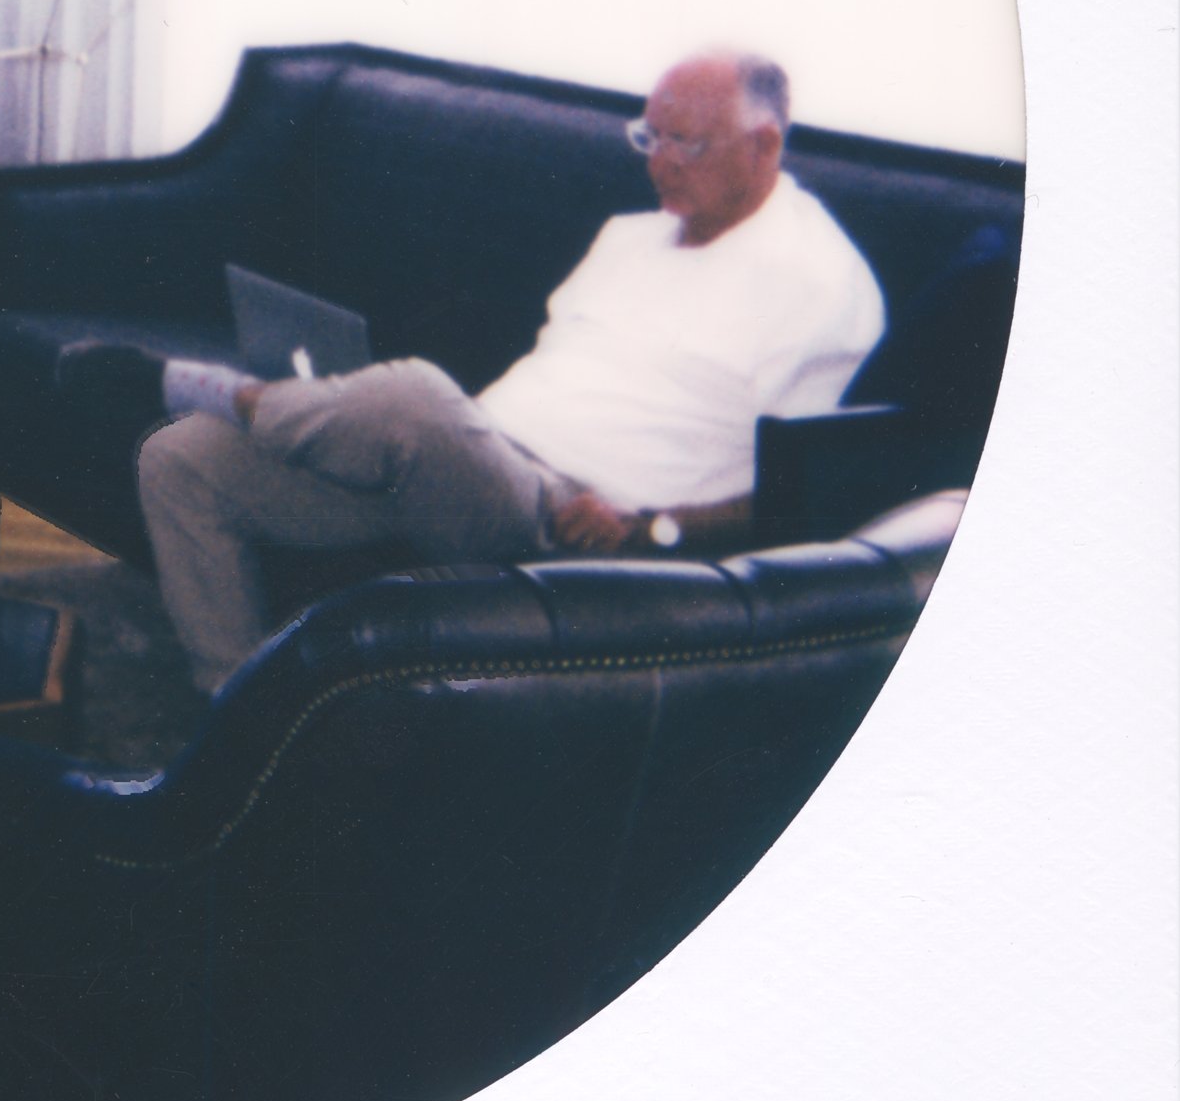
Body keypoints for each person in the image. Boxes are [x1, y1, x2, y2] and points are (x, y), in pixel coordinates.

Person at [63, 51, 886, 690]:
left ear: (764, 143)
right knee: (181, 459)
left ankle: (225, 389)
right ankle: (234, 707)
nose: (659, 162)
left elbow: (792, 498)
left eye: (686, 143)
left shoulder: (818, 287)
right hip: (473, 466)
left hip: (580, 524)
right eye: (649, 136)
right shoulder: (633, 234)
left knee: (417, 393)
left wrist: (650, 528)